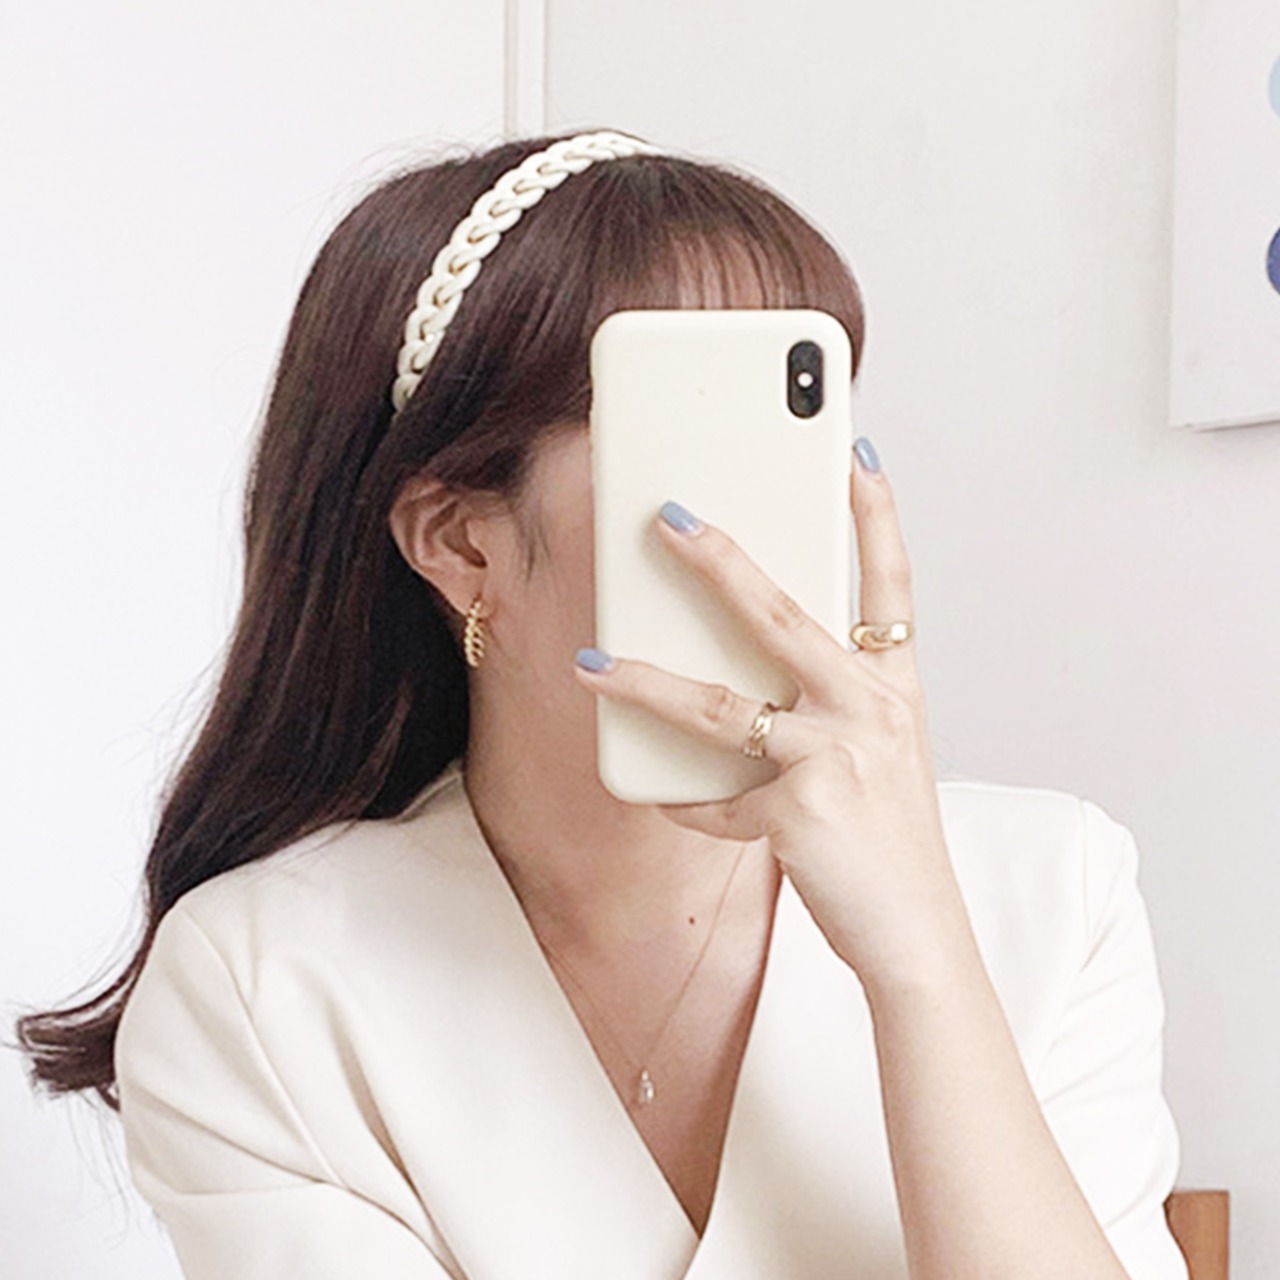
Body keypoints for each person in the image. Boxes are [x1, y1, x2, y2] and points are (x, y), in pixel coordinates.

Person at [12, 130, 1188, 1279]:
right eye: (696, 431)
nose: (779, 516)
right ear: (460, 543)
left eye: (798, 421)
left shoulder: (1052, 889)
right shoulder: (264, 980)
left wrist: (920, 958)